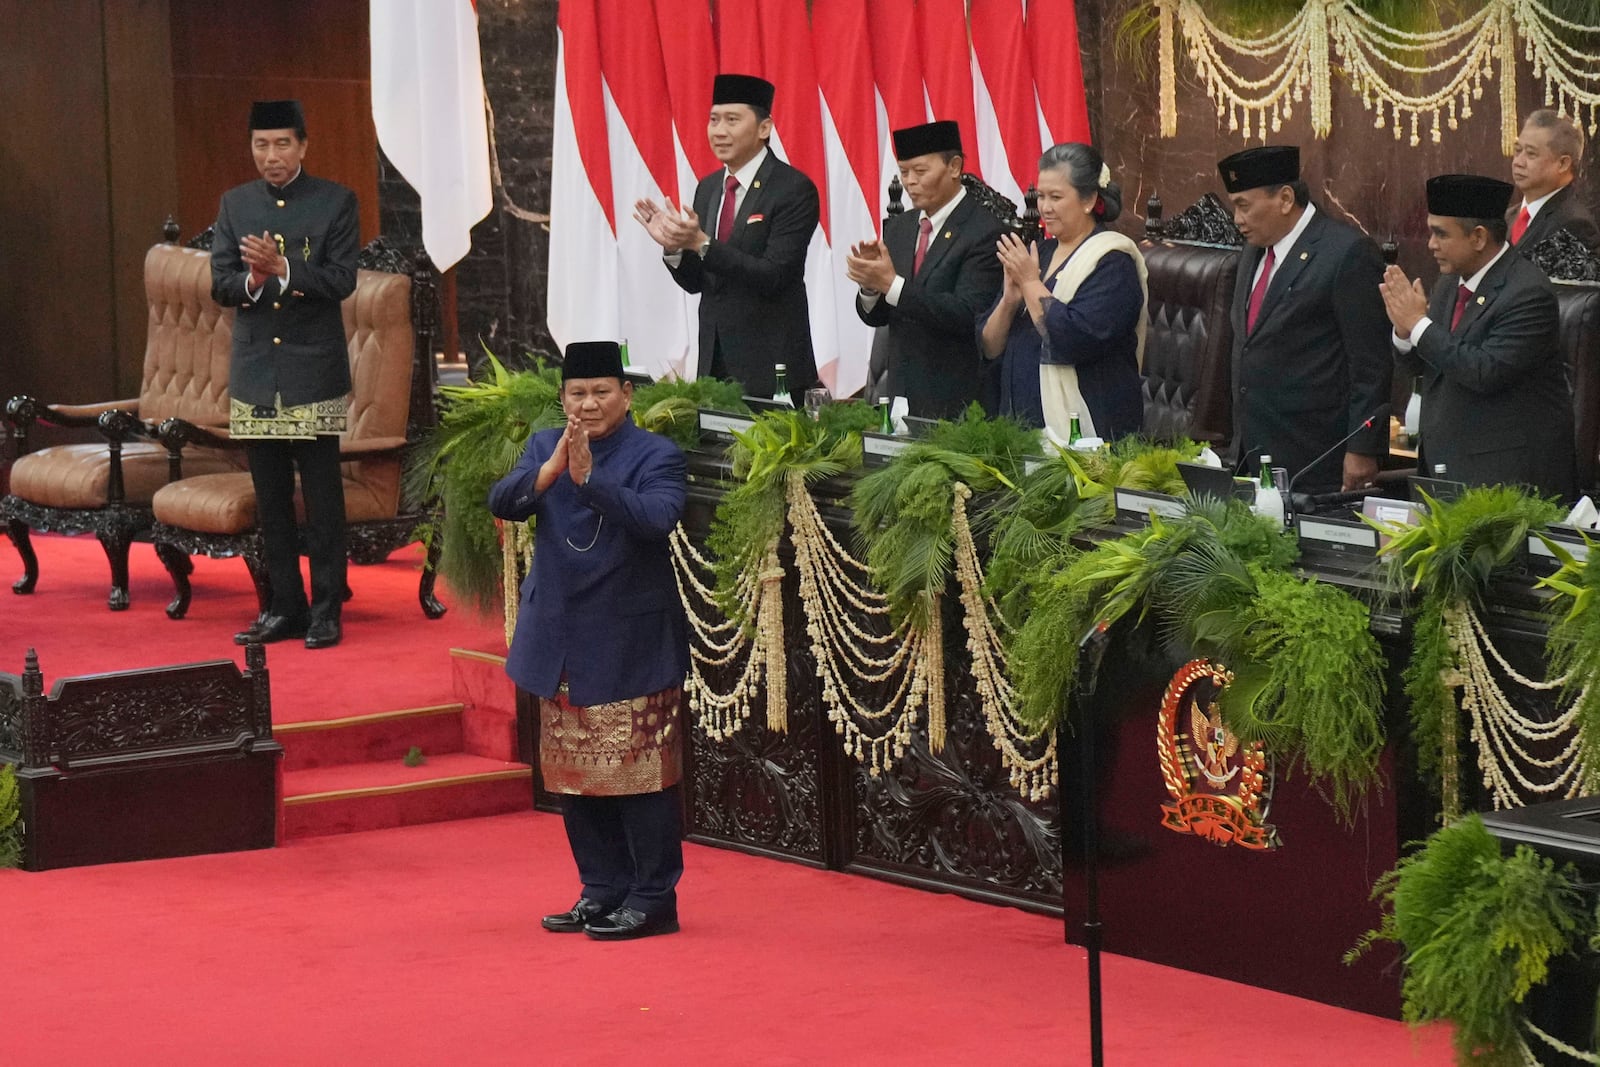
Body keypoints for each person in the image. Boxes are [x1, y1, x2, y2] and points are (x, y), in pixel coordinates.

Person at [488, 340, 690, 941]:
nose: (589, 403)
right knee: (574, 776)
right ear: (563, 398)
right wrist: (551, 472)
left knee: (640, 779)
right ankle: (600, 890)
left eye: (602, 391)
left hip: (630, 640)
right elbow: (504, 498)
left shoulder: (657, 453)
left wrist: (591, 480)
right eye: (578, 393)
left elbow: (658, 518)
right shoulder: (542, 445)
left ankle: (653, 899)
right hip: (561, 640)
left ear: (627, 396)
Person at [214, 100, 358, 650]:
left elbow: (341, 281)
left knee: (322, 503)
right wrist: (252, 280)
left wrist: (285, 270)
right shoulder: (235, 204)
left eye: (281, 144)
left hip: (312, 369)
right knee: (271, 501)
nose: (270, 156)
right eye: (260, 145)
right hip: (256, 372)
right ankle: (283, 607)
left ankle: (327, 609)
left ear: (302, 146)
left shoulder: (335, 202)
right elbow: (220, 284)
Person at [1381, 174, 1575, 499]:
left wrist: (1417, 324)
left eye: (1441, 234)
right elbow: (1431, 365)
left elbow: (1485, 371)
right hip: (1446, 468)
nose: (1431, 244)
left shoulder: (1527, 293)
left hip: (1506, 481)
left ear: (1479, 237)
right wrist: (1404, 332)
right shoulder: (1449, 285)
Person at [1218, 145, 1392, 494]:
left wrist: (1363, 448)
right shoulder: (1253, 251)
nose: (1237, 219)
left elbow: (1370, 362)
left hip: (1316, 455)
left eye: (1244, 206)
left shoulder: (1346, 253)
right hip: (1252, 451)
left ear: (1284, 199)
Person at [633, 74, 819, 397]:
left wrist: (701, 243)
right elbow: (700, 282)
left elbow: (774, 275)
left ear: (764, 128)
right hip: (715, 365)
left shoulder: (793, 189)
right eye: (714, 120)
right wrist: (675, 248)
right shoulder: (708, 188)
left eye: (732, 120)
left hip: (773, 368)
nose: (719, 131)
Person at [979, 143, 1146, 443]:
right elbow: (989, 348)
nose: (1044, 207)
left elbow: (1073, 339)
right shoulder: (1037, 254)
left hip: (1089, 435)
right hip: (1019, 432)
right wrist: (1009, 301)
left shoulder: (1112, 262)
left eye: (1056, 197)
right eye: (1041, 196)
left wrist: (1030, 283)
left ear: (1089, 199)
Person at [846, 120, 1004, 419]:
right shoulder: (901, 227)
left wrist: (891, 284)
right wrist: (870, 285)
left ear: (954, 167)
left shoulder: (984, 230)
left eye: (920, 171)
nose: (909, 182)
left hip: (956, 399)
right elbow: (879, 315)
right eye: (904, 172)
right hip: (899, 390)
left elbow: (967, 314)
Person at [1508, 109, 1600, 256]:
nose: (1518, 162)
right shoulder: (1507, 216)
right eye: (1518, 150)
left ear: (1563, 163)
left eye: (1531, 154)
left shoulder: (1574, 224)